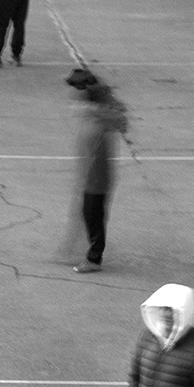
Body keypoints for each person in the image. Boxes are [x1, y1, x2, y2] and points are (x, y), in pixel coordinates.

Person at [67, 72, 129, 270]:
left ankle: (94, 259)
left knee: (93, 216)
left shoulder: (98, 121)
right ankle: (90, 253)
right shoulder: (96, 119)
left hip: (96, 179)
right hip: (93, 177)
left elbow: (120, 120)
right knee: (90, 214)